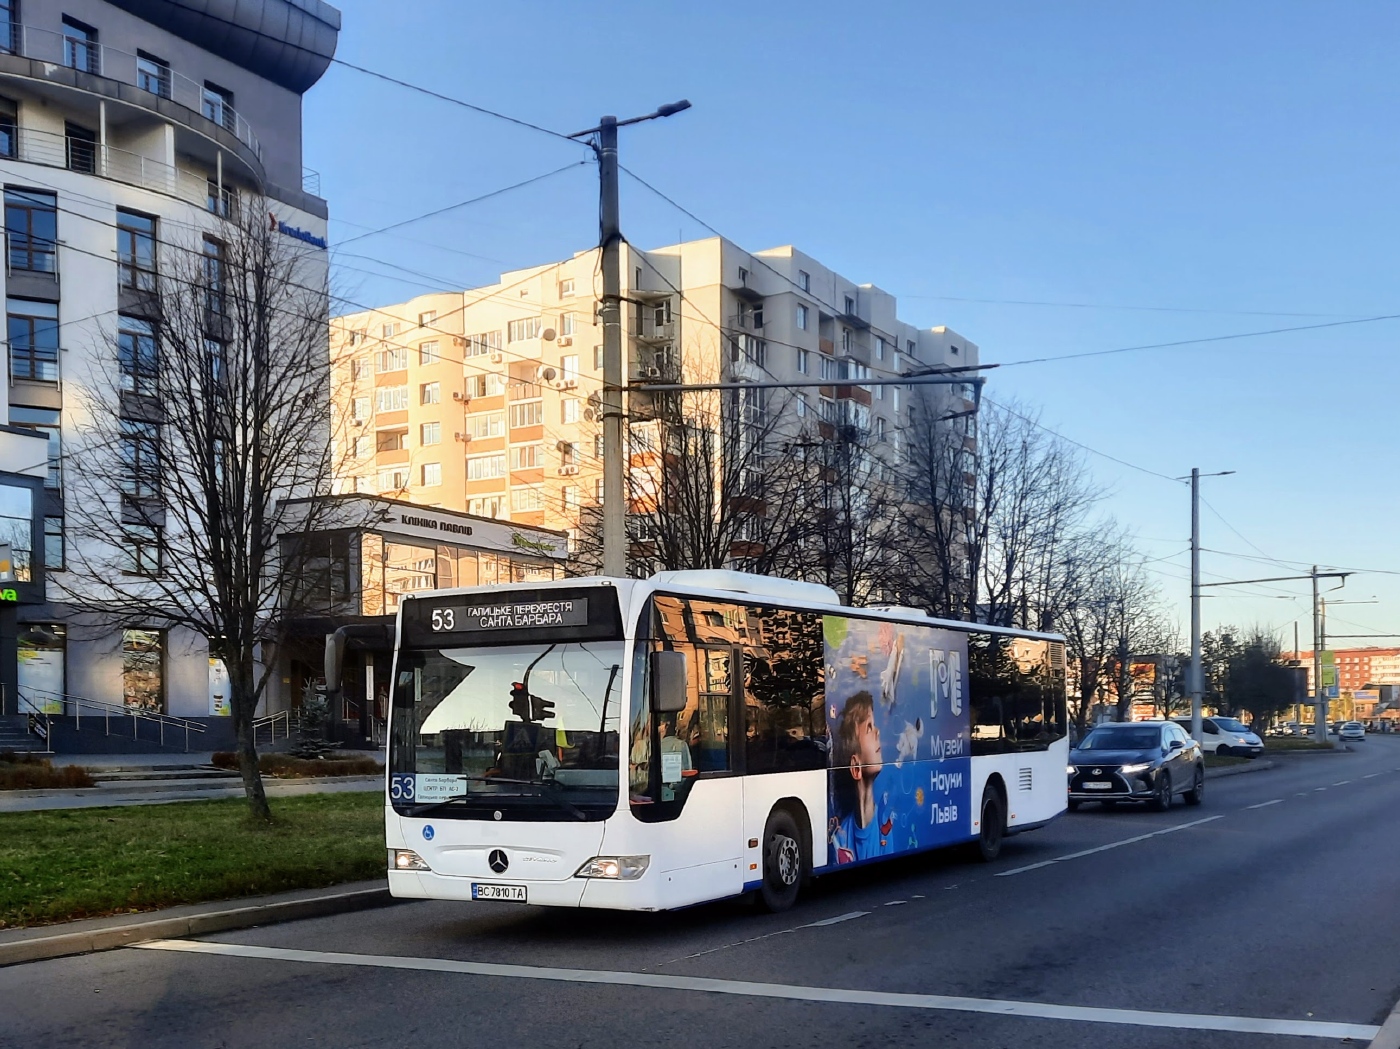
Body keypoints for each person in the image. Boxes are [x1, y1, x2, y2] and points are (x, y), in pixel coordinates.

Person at [830, 690, 893, 864]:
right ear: (856, 767)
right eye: (869, 728)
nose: (878, 732)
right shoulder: (840, 839)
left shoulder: (885, 822)